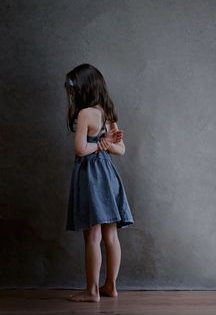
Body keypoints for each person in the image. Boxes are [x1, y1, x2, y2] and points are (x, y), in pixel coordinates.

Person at [64, 63, 134, 302]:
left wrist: (100, 144)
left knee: (92, 237)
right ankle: (110, 287)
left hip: (92, 178)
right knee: (111, 236)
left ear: (84, 88)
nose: (71, 93)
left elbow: (81, 149)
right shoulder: (107, 111)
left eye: (73, 88)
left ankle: (92, 290)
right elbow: (121, 149)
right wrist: (106, 143)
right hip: (108, 175)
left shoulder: (85, 114)